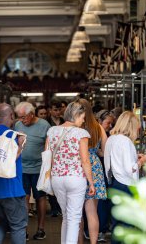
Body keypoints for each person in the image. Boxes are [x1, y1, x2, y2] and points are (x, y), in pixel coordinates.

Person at [46, 100, 95, 244]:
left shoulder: (52, 131)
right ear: (76, 115)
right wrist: (91, 182)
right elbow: (85, 160)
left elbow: (47, 155)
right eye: (82, 117)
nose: (83, 120)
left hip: (57, 178)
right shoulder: (81, 133)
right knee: (74, 218)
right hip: (76, 178)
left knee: (67, 216)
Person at [0, 103, 28, 244]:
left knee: (2, 222)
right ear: (11, 116)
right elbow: (11, 159)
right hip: (11, 189)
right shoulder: (13, 136)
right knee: (18, 226)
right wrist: (21, 145)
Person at [104, 111, 146, 244]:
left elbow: (110, 163)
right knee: (128, 225)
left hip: (113, 184)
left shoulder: (111, 139)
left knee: (117, 226)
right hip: (126, 185)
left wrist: (134, 157)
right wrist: (142, 161)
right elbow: (130, 169)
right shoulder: (126, 142)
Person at [14, 102, 51, 240]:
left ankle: (41, 229)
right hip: (22, 168)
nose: (21, 120)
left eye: (24, 117)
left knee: (40, 197)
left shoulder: (44, 125)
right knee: (23, 198)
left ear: (31, 114)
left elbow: (49, 147)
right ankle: (23, 229)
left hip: (39, 168)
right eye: (20, 117)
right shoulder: (18, 125)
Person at [77, 99, 107, 244]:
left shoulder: (75, 127)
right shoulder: (98, 127)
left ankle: (79, 242)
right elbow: (106, 151)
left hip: (77, 165)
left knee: (76, 212)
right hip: (94, 166)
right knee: (92, 211)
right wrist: (97, 152)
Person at [94, 109, 115, 241]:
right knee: (101, 199)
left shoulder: (108, 133)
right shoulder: (97, 132)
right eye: (108, 123)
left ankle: (103, 227)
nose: (110, 126)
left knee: (105, 199)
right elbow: (101, 151)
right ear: (100, 121)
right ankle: (100, 229)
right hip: (99, 168)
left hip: (105, 168)